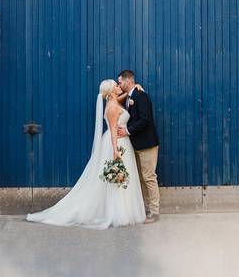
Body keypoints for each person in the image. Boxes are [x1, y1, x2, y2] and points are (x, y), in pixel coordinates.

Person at [26, 79, 146, 229]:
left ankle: (123, 210)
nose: (118, 86)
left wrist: (134, 88)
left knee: (119, 178)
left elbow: (122, 98)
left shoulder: (113, 102)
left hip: (120, 142)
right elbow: (114, 130)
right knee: (117, 178)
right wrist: (116, 150)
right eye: (116, 85)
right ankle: (119, 213)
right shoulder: (113, 108)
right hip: (116, 143)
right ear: (110, 91)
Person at [117, 70, 161, 223]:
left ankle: (154, 212)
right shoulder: (130, 97)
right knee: (142, 179)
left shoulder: (140, 96)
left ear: (128, 82)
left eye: (120, 82)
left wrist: (127, 131)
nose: (119, 85)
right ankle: (147, 209)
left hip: (147, 144)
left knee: (149, 177)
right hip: (137, 145)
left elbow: (145, 120)